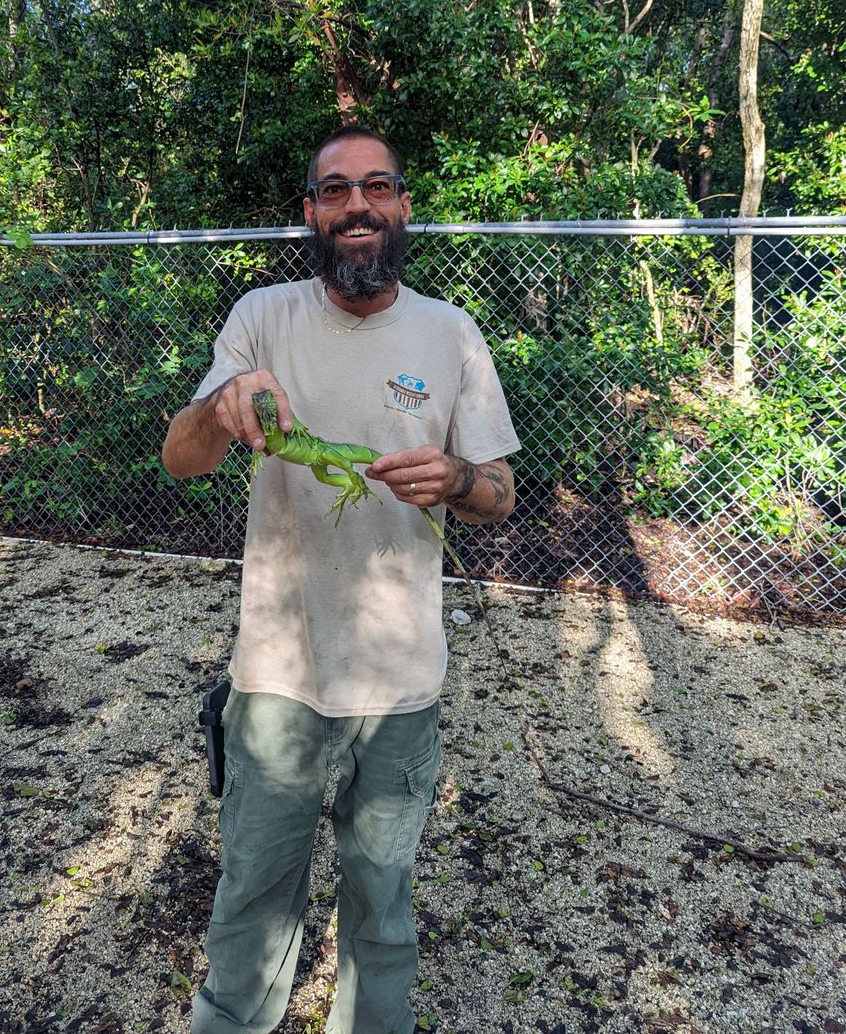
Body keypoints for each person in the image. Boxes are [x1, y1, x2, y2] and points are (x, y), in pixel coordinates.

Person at [162, 127, 519, 1034]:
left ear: (403, 206)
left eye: (377, 188)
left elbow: (500, 494)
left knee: (381, 901)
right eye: (335, 191)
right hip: (279, 673)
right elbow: (180, 459)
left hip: (401, 685)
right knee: (252, 896)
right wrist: (222, 404)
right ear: (312, 213)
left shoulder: (451, 333)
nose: (357, 206)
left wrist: (459, 480)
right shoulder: (263, 318)